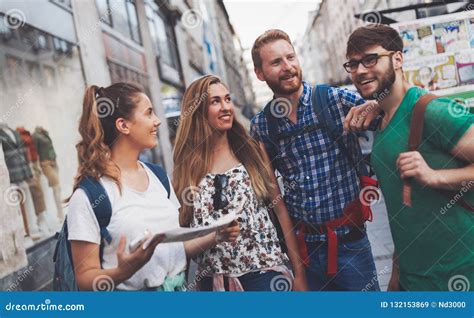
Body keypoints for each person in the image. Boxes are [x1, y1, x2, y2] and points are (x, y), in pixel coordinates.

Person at [66, 82, 239, 291]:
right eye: (148, 113)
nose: (157, 121)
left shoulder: (158, 177)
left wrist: (217, 236)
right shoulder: (90, 195)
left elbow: (176, 247)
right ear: (123, 125)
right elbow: (84, 279)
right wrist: (124, 271)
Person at [249, 29, 381, 291]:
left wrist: (376, 106)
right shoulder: (262, 127)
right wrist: (297, 271)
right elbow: (275, 202)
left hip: (352, 245)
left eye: (290, 57)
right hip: (306, 252)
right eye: (276, 62)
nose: (288, 67)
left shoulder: (333, 99)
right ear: (260, 74)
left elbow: (390, 113)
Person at [345, 24, 474, 291]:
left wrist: (435, 176)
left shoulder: (433, 111)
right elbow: (404, 214)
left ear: (398, 59)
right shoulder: (381, 122)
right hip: (413, 281)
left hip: (460, 273)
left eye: (370, 59)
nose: (360, 70)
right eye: (353, 64)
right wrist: (396, 275)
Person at [173, 75, 308, 291]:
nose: (226, 107)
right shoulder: (187, 166)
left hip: (264, 277)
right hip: (213, 283)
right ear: (198, 111)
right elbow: (183, 228)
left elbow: (280, 211)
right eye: (215, 101)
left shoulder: (252, 151)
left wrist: (299, 273)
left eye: (227, 99)